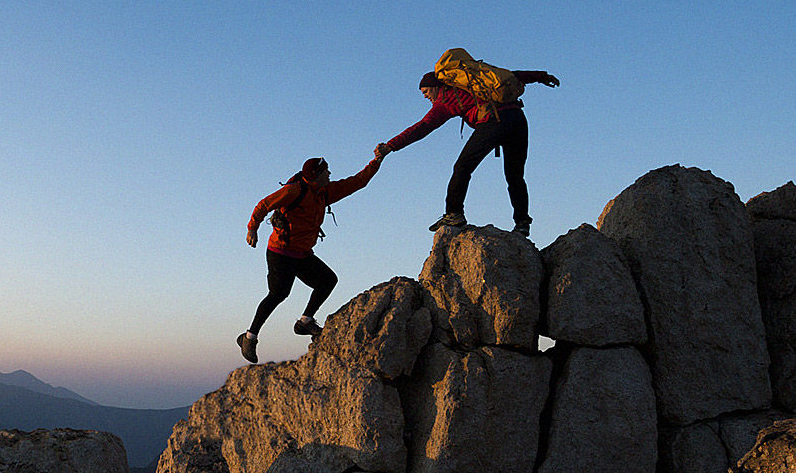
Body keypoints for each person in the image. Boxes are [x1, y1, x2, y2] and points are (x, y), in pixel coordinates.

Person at [374, 65, 559, 237]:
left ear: (435, 87)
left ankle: (454, 213)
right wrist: (542, 77)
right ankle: (522, 222)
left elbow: (422, 127)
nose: (425, 96)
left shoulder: (445, 100)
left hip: (494, 121)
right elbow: (513, 76)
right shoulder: (472, 82)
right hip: (518, 119)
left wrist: (391, 145)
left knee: (462, 167)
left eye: (425, 91)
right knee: (515, 176)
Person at [237, 155, 381, 363]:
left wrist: (376, 161)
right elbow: (264, 204)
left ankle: (304, 322)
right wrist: (252, 228)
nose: (330, 174)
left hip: (302, 254)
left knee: (328, 280)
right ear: (317, 175)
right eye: (326, 171)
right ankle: (249, 337)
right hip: (280, 252)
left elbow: (357, 182)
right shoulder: (295, 191)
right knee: (279, 294)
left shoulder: (323, 193)